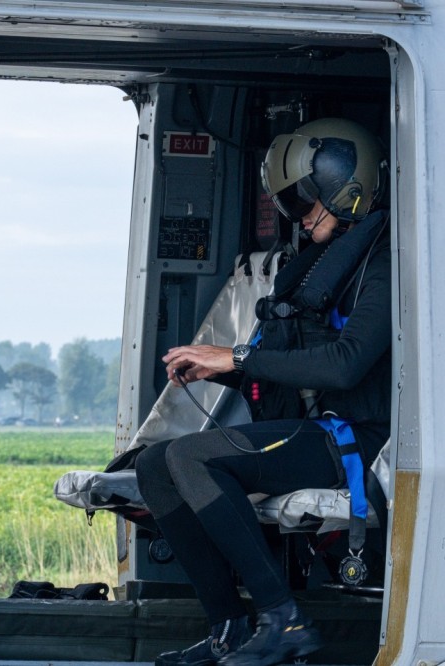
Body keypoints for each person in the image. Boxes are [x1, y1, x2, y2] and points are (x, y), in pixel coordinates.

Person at [134, 118, 391, 666]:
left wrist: (237, 356)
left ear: (345, 187)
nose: (294, 213)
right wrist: (219, 370)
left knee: (191, 456)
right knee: (155, 464)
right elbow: (291, 364)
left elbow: (345, 368)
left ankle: (286, 620)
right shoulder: (324, 264)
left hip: (355, 440)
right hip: (315, 431)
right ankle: (229, 625)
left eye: (301, 200)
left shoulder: (385, 265)